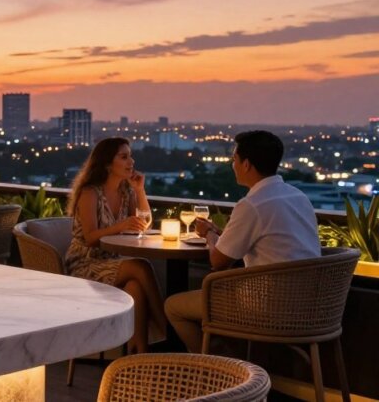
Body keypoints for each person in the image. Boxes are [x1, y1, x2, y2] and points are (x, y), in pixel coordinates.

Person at [165, 130, 320, 353]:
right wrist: (219, 234)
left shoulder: (252, 204)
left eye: (234, 159)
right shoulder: (298, 196)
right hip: (311, 307)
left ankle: (215, 368)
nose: (233, 165)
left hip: (266, 307)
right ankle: (229, 361)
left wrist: (208, 234)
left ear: (246, 164)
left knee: (173, 307)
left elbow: (218, 262)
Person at [63, 137, 166, 353]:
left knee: (135, 287)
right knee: (141, 266)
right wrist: (120, 226)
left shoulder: (126, 191)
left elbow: (144, 223)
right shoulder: (90, 193)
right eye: (124, 157)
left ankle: (137, 356)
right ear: (108, 164)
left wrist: (140, 190)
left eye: (130, 156)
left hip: (113, 260)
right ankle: (168, 332)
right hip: (85, 263)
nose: (131, 161)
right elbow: (90, 238)